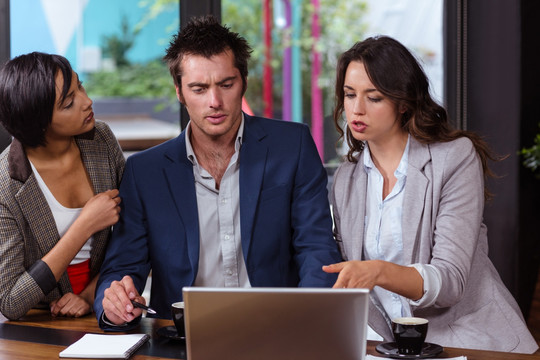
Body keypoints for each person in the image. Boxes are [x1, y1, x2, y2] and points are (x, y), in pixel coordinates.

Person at [94, 15, 341, 330]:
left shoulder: (292, 146)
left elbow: (316, 247)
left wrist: (306, 322)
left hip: (277, 329)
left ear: (244, 82)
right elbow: (121, 268)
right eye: (199, 88)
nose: (215, 102)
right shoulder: (145, 172)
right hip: (182, 338)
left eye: (226, 84)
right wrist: (114, 303)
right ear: (180, 93)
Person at [322, 36, 538, 353]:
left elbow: (449, 282)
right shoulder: (346, 178)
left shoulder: (454, 158)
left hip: (475, 343)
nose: (356, 109)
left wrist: (378, 272)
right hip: (397, 348)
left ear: (404, 102)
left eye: (375, 97)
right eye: (350, 94)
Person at [0, 52, 125, 320]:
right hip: (40, 323)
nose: (87, 101)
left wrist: (90, 295)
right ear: (39, 123)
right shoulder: (6, 183)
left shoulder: (100, 139)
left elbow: (135, 231)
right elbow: (10, 301)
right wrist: (84, 226)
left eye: (79, 85)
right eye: (69, 103)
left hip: (107, 303)